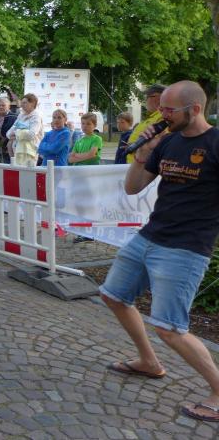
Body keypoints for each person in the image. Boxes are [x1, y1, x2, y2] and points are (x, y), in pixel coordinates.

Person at [100, 80, 219, 423]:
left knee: (169, 328)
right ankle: (149, 362)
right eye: (161, 108)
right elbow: (133, 187)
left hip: (186, 247)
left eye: (169, 110)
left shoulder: (215, 143)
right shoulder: (167, 142)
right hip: (150, 236)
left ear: (194, 109)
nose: (162, 115)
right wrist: (144, 153)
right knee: (113, 295)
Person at [126, 84, 164, 163]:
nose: (145, 100)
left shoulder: (162, 118)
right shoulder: (152, 117)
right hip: (134, 165)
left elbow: (159, 145)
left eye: (148, 97)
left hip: (143, 166)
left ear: (159, 97)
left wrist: (134, 147)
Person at [6, 94, 43, 167]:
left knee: (27, 172)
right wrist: (18, 133)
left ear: (32, 104)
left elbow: (31, 134)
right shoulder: (21, 115)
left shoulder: (36, 117)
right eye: (22, 103)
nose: (22, 105)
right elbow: (9, 133)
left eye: (25, 103)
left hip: (30, 151)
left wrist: (16, 134)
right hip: (17, 149)